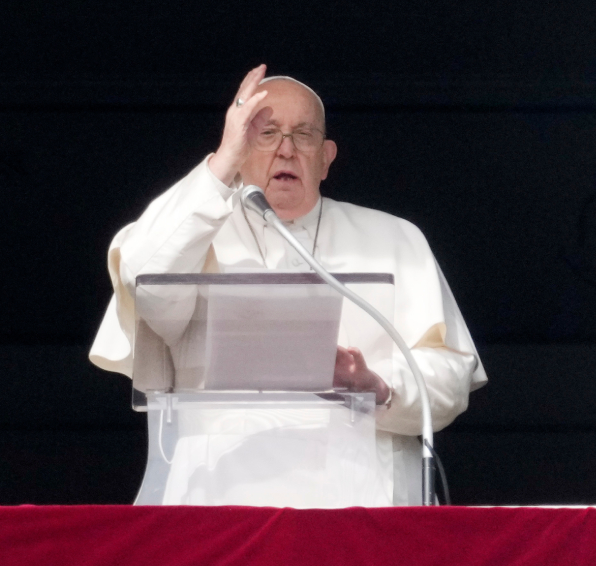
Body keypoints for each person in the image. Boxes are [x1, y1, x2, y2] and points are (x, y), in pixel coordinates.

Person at [90, 64, 488, 506]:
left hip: (363, 503)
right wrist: (222, 163)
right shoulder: (192, 231)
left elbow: (450, 373)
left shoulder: (394, 238)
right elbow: (145, 281)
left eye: (303, 135)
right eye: (265, 133)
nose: (285, 150)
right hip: (220, 502)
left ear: (326, 157)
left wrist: (378, 385)